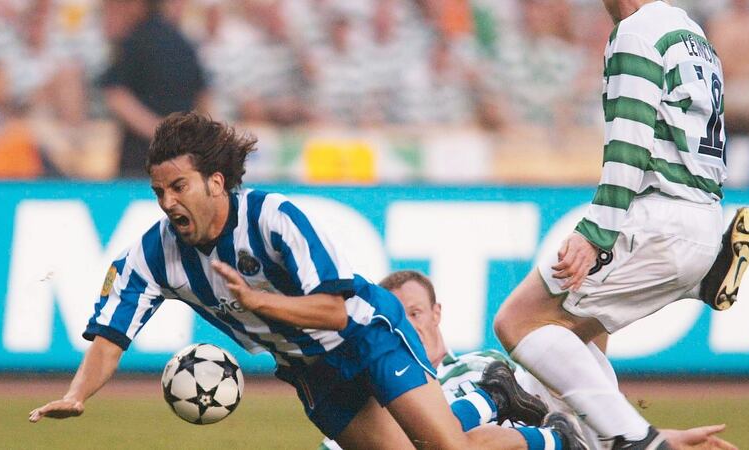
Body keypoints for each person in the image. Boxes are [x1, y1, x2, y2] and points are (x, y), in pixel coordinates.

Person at [28, 111, 569, 450]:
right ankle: (499, 404)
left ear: (215, 182)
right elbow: (110, 339)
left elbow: (334, 311)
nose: (168, 203)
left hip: (367, 338)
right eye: (158, 192)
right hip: (312, 373)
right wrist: (78, 394)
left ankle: (549, 439)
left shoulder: (276, 218)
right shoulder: (150, 255)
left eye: (178, 186)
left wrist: (257, 303)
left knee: (445, 448)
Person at [493, 1, 749, 449]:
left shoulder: (638, 32)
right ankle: (705, 276)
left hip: (658, 217)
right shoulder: (693, 36)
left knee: (519, 322)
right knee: (573, 348)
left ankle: (639, 439)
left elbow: (628, 144)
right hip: (702, 214)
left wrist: (595, 232)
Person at [319, 270, 735, 450]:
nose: (409, 329)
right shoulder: (378, 394)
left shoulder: (485, 363)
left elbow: (569, 407)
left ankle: (680, 279)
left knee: (557, 339)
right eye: (397, 323)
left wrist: (650, 437)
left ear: (436, 314)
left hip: (532, 431)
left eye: (414, 314)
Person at [99, 0, 207, 178]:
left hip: (141, 158)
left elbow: (116, 96)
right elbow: (204, 96)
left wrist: (160, 132)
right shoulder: (184, 43)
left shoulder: (134, 41)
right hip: (183, 159)